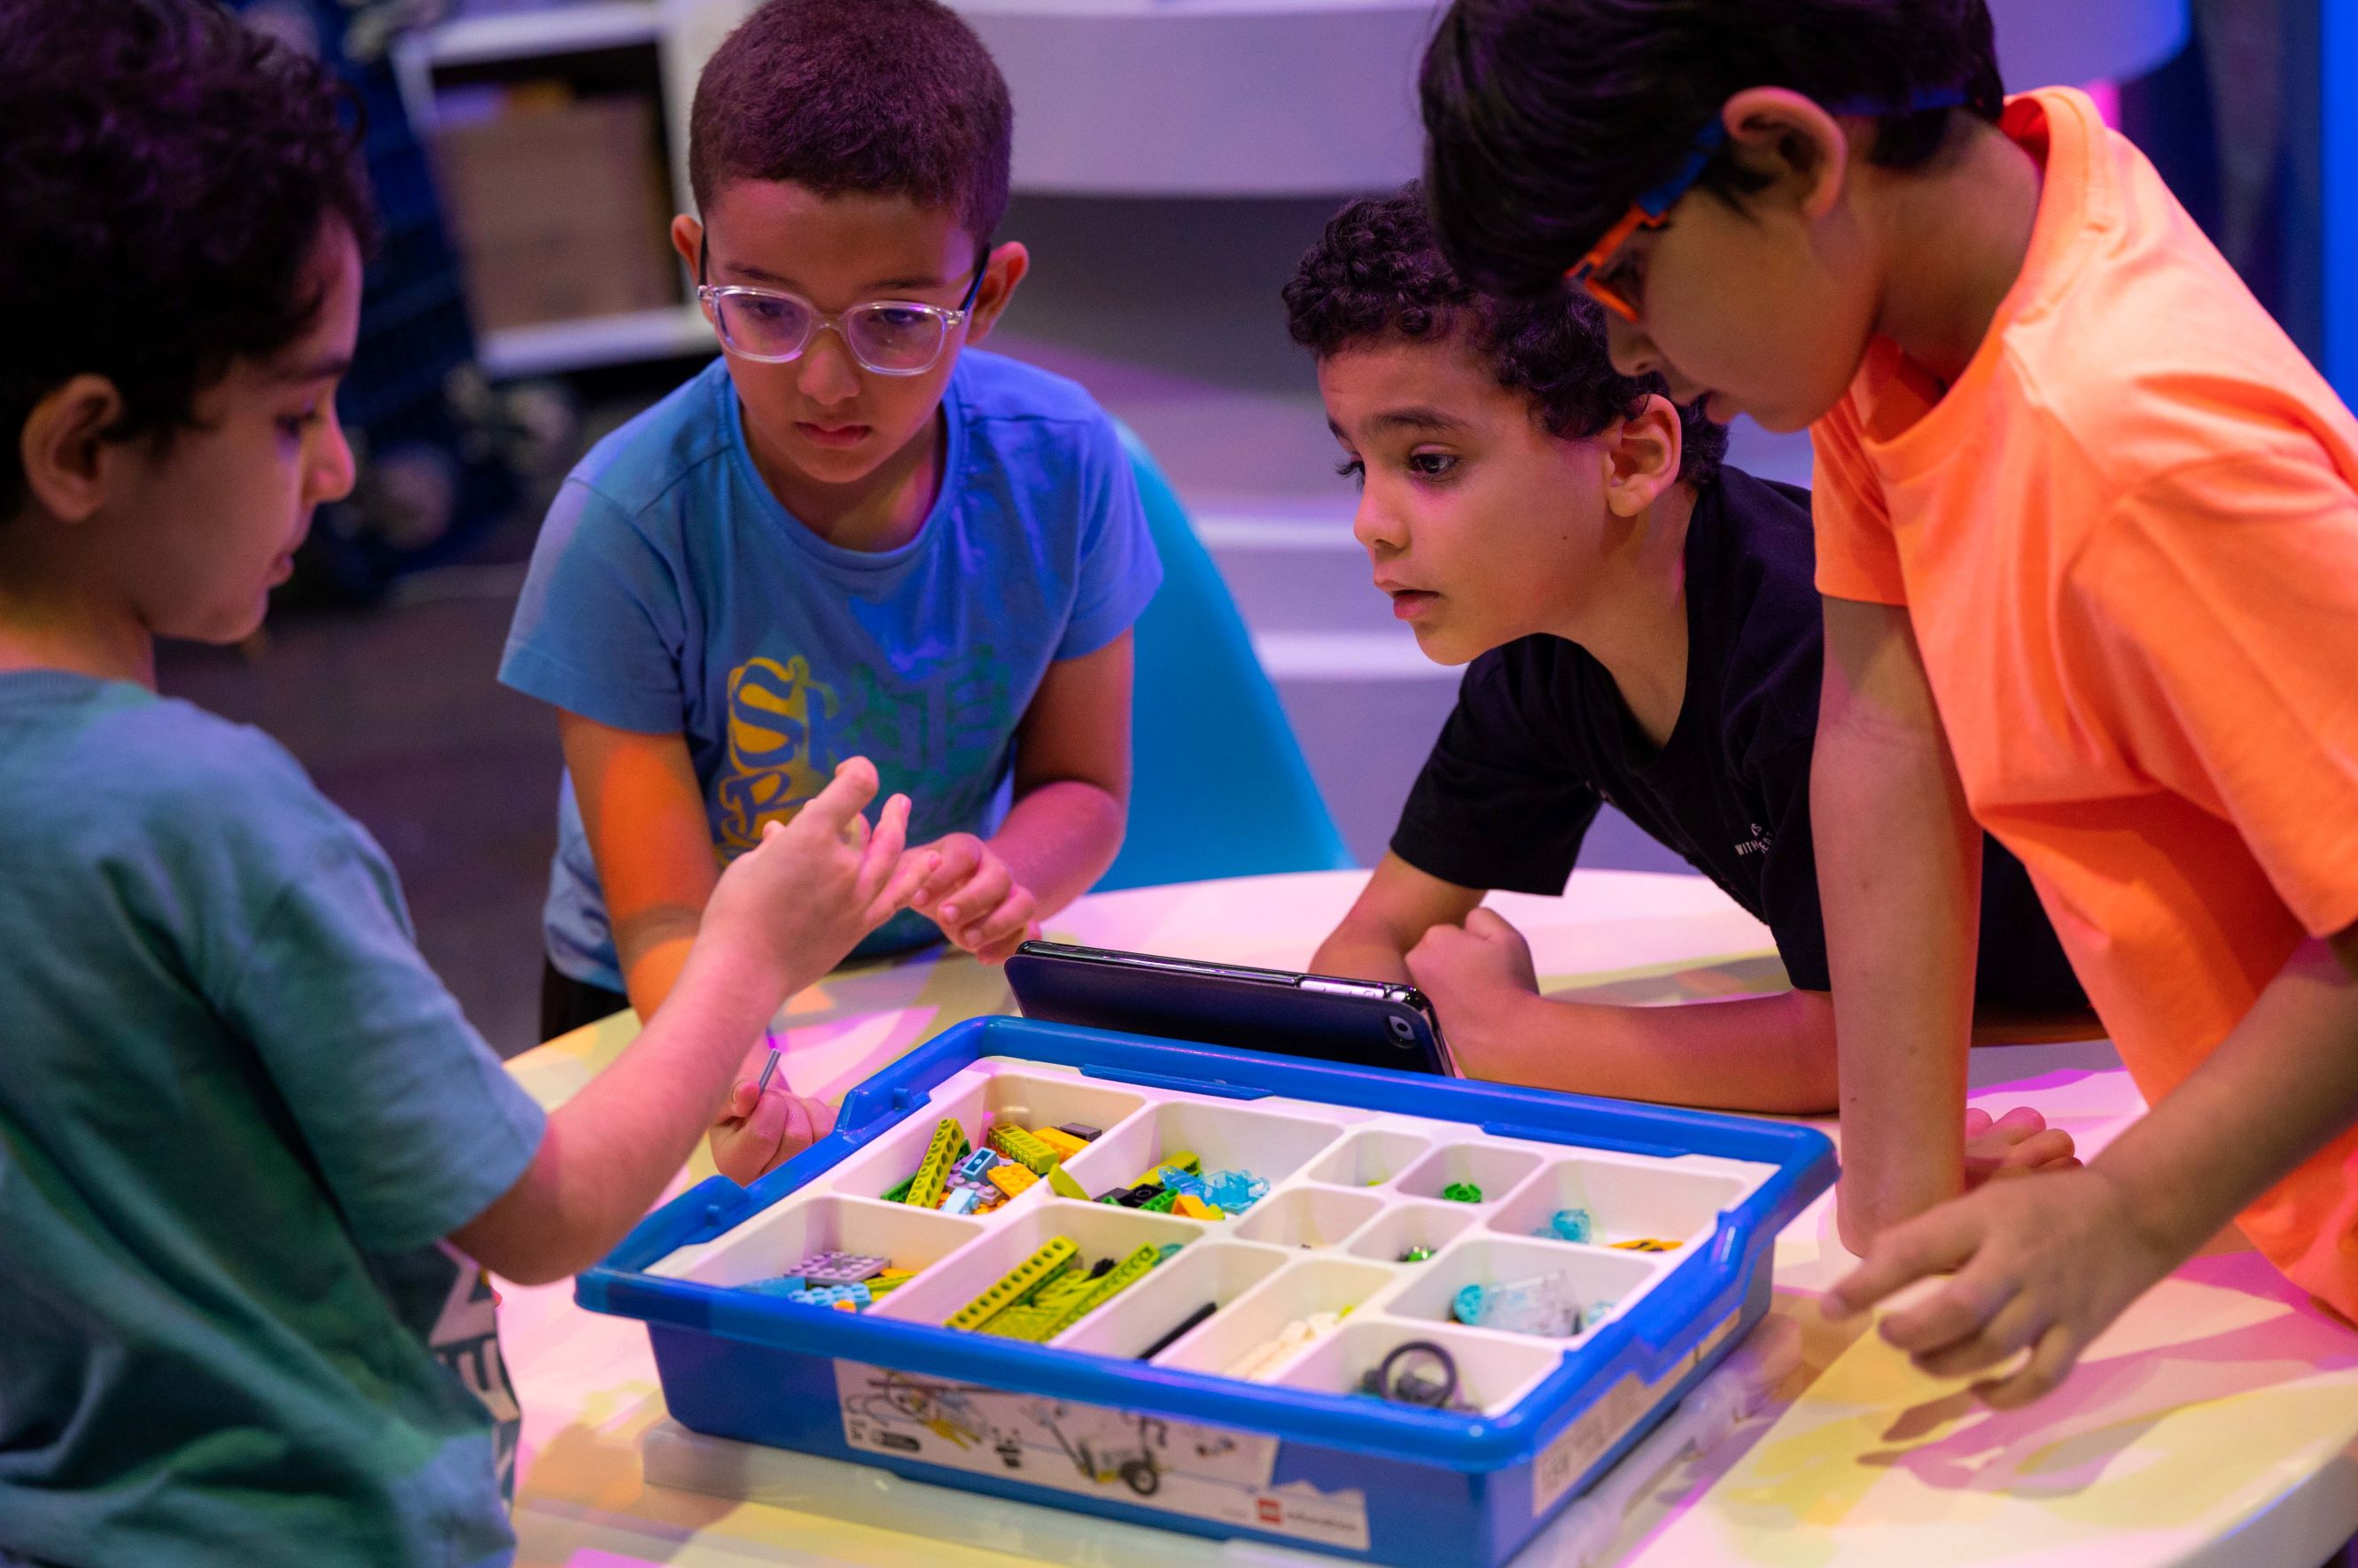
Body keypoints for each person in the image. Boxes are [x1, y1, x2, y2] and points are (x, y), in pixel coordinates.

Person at [0, 5, 929, 1561]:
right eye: (295, 413)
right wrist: (750, 954)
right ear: (84, 447)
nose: (339, 467)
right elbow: (541, 1210)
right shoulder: (209, 820)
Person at [1420, 0, 2358, 1406]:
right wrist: (1897, 1189)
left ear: (1791, 156)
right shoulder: (1924, 295)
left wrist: (2122, 1217)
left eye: (1621, 275)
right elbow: (1883, 726)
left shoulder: (2134, 452)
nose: (1621, 352)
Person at [501, 0, 1161, 1184]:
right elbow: (662, 919)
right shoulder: (626, 525)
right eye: (765, 309)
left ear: (988, 295)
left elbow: (1084, 787)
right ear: (697, 264)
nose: (824, 380)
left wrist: (1010, 873)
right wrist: (730, 1070)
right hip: (668, 998)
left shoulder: (1065, 463)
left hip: (929, 978)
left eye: (897, 320)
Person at [1289, 187, 2087, 1122]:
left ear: (1632, 459)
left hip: (2128, 1055)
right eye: (1359, 465)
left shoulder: (1811, 642)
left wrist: (1517, 1035)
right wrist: (1397, 1008)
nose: (1370, 525)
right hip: (1998, 1062)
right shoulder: (1542, 655)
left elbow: (1852, 1044)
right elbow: (1374, 939)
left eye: (1430, 462)